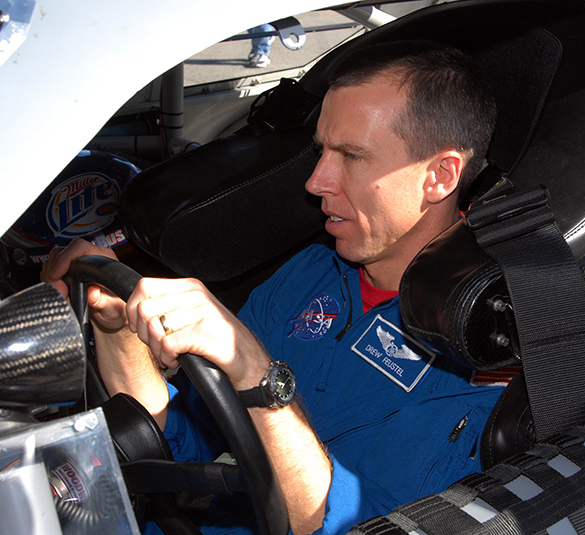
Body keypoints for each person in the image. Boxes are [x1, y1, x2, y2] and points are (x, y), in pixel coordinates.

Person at [43, 41, 500, 535]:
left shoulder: (480, 347)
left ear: (440, 175)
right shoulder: (315, 269)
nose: (317, 180)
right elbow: (182, 444)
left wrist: (255, 373)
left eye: (352, 156)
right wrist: (115, 326)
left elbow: (347, 523)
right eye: (321, 151)